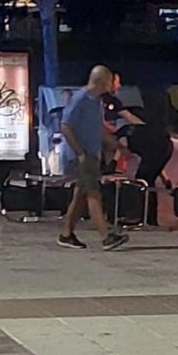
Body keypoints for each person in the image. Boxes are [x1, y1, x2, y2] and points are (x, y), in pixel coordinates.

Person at [58, 66, 129, 251]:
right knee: (93, 194)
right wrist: (80, 153)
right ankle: (106, 237)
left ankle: (66, 234)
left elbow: (98, 129)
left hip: (91, 156)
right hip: (80, 157)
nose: (112, 85)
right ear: (101, 82)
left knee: (80, 195)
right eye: (110, 81)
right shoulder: (81, 99)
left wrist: (117, 145)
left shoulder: (96, 102)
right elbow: (65, 126)